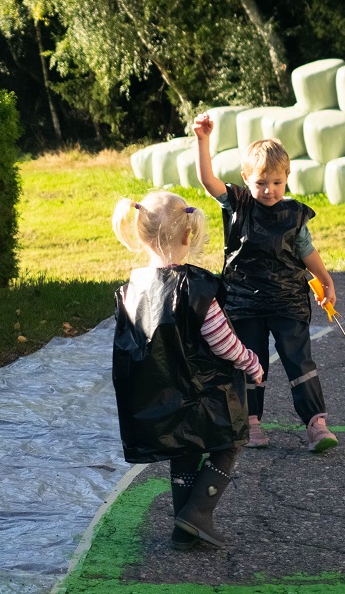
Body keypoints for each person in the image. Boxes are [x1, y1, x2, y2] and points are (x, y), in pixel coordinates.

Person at [112, 190, 264, 549]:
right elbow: (222, 341)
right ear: (187, 234)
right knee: (230, 441)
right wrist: (250, 361)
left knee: (184, 450)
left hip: (160, 395)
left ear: (141, 234)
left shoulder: (134, 287)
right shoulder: (195, 287)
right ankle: (198, 512)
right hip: (200, 392)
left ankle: (184, 530)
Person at [192, 112, 339, 453]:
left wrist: (326, 280)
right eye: (260, 183)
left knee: (299, 359)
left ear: (287, 178)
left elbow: (307, 251)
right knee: (248, 359)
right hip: (245, 302)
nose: (269, 190)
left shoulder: (294, 214)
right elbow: (208, 181)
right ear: (246, 179)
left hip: (288, 300)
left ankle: (316, 423)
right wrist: (203, 140)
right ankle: (250, 421)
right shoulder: (237, 204)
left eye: (276, 182)